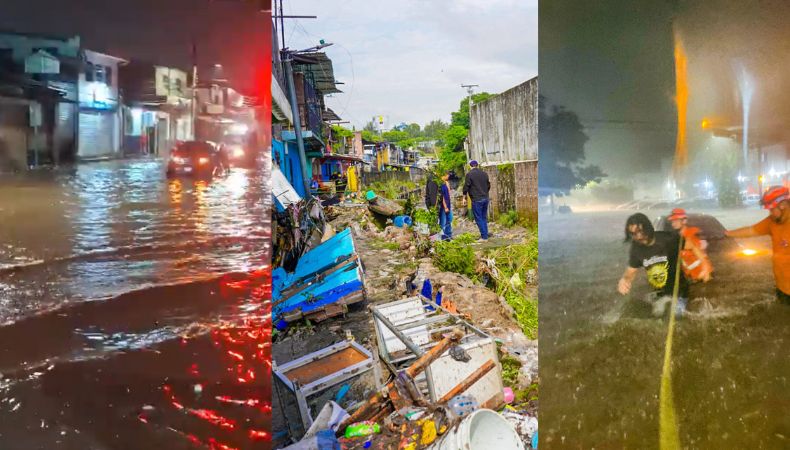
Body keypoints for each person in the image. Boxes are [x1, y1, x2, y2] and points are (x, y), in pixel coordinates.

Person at [725, 186, 790, 304]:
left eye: (771, 209)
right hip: (782, 288)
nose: (770, 213)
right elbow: (751, 231)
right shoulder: (772, 222)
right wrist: (728, 234)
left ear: (783, 205)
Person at [618, 213, 688, 317]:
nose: (638, 236)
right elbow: (631, 271)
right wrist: (625, 279)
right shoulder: (636, 249)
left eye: (640, 231)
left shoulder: (668, 239)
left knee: (676, 318)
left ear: (648, 227)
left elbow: (691, 245)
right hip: (659, 292)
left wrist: (702, 265)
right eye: (633, 234)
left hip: (679, 290)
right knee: (657, 318)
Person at [667, 208, 713, 282]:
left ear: (684, 221)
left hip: (703, 275)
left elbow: (702, 253)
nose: (673, 223)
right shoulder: (676, 238)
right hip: (691, 278)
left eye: (676, 221)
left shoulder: (693, 233)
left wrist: (706, 270)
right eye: (672, 221)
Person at [462, 160, 491, 240]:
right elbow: (488, 185)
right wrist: (485, 192)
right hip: (485, 198)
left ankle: (484, 237)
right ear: (477, 165)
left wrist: (464, 197)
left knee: (478, 218)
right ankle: (485, 234)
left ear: (470, 166)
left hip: (476, 199)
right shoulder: (484, 174)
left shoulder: (469, 174)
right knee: (483, 217)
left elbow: (466, 187)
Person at [439, 172, 453, 241]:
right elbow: (442, 197)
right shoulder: (440, 184)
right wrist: (445, 207)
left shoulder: (446, 183)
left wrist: (448, 185)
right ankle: (443, 237)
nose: (449, 176)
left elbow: (449, 193)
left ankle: (448, 236)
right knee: (443, 221)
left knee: (449, 219)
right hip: (443, 206)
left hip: (448, 204)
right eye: (448, 175)